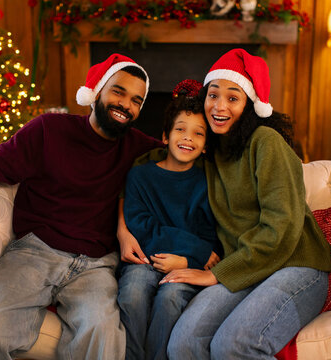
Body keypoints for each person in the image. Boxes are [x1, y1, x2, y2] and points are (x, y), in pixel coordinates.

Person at [0, 53, 163, 360]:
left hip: (97, 264)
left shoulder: (139, 148)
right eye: (119, 92)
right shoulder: (49, 130)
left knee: (103, 336)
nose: (126, 105)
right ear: (97, 91)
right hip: (35, 253)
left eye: (137, 100)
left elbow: (185, 152)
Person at [119, 48, 331, 359]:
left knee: (232, 345)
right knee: (181, 344)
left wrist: (215, 274)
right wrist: (121, 225)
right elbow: (154, 162)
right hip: (245, 267)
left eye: (233, 98)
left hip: (295, 264)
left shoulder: (266, 142)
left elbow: (282, 227)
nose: (219, 106)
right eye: (213, 95)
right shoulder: (213, 147)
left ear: (249, 103)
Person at [117, 79, 223, 360]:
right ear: (165, 137)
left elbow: (211, 237)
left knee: (171, 298)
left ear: (204, 146)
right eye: (180, 130)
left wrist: (187, 260)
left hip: (184, 264)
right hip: (146, 258)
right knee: (133, 294)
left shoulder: (206, 182)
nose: (188, 138)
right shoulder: (140, 175)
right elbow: (142, 226)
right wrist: (197, 251)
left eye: (198, 134)